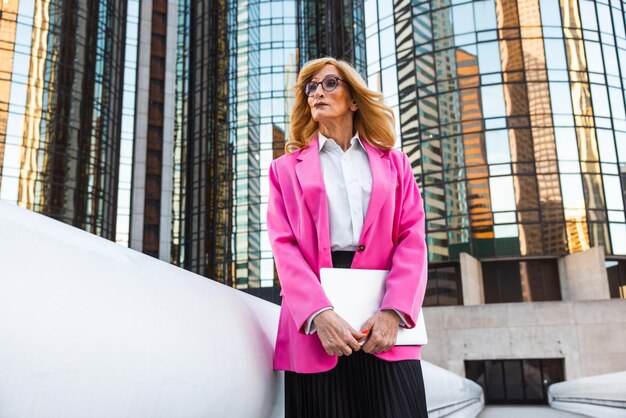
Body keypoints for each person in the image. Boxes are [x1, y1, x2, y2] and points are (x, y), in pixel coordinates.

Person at [266, 57, 428, 418]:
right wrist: (318, 314)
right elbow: (283, 246)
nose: (317, 93)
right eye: (311, 87)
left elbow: (412, 239)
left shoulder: (396, 164)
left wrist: (394, 311)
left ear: (353, 99)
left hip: (383, 308)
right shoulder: (284, 171)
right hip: (316, 315)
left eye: (329, 84)